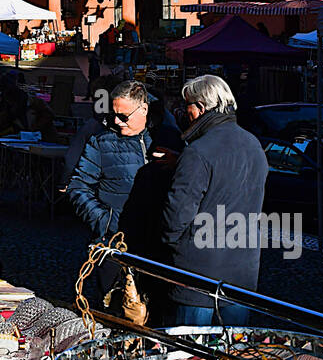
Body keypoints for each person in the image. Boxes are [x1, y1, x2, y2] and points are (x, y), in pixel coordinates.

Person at [162, 73, 269, 328]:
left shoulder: (198, 151)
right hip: (243, 271)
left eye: (186, 105)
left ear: (200, 108)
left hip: (197, 274)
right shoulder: (254, 145)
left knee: (189, 358)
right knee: (234, 357)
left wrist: (171, 245)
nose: (183, 112)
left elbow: (176, 217)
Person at [67, 80, 153, 295]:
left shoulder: (165, 139)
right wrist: (105, 222)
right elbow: (78, 187)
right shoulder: (102, 142)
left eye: (123, 116)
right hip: (114, 243)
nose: (117, 121)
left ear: (143, 109)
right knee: (114, 308)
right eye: (114, 114)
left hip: (155, 245)